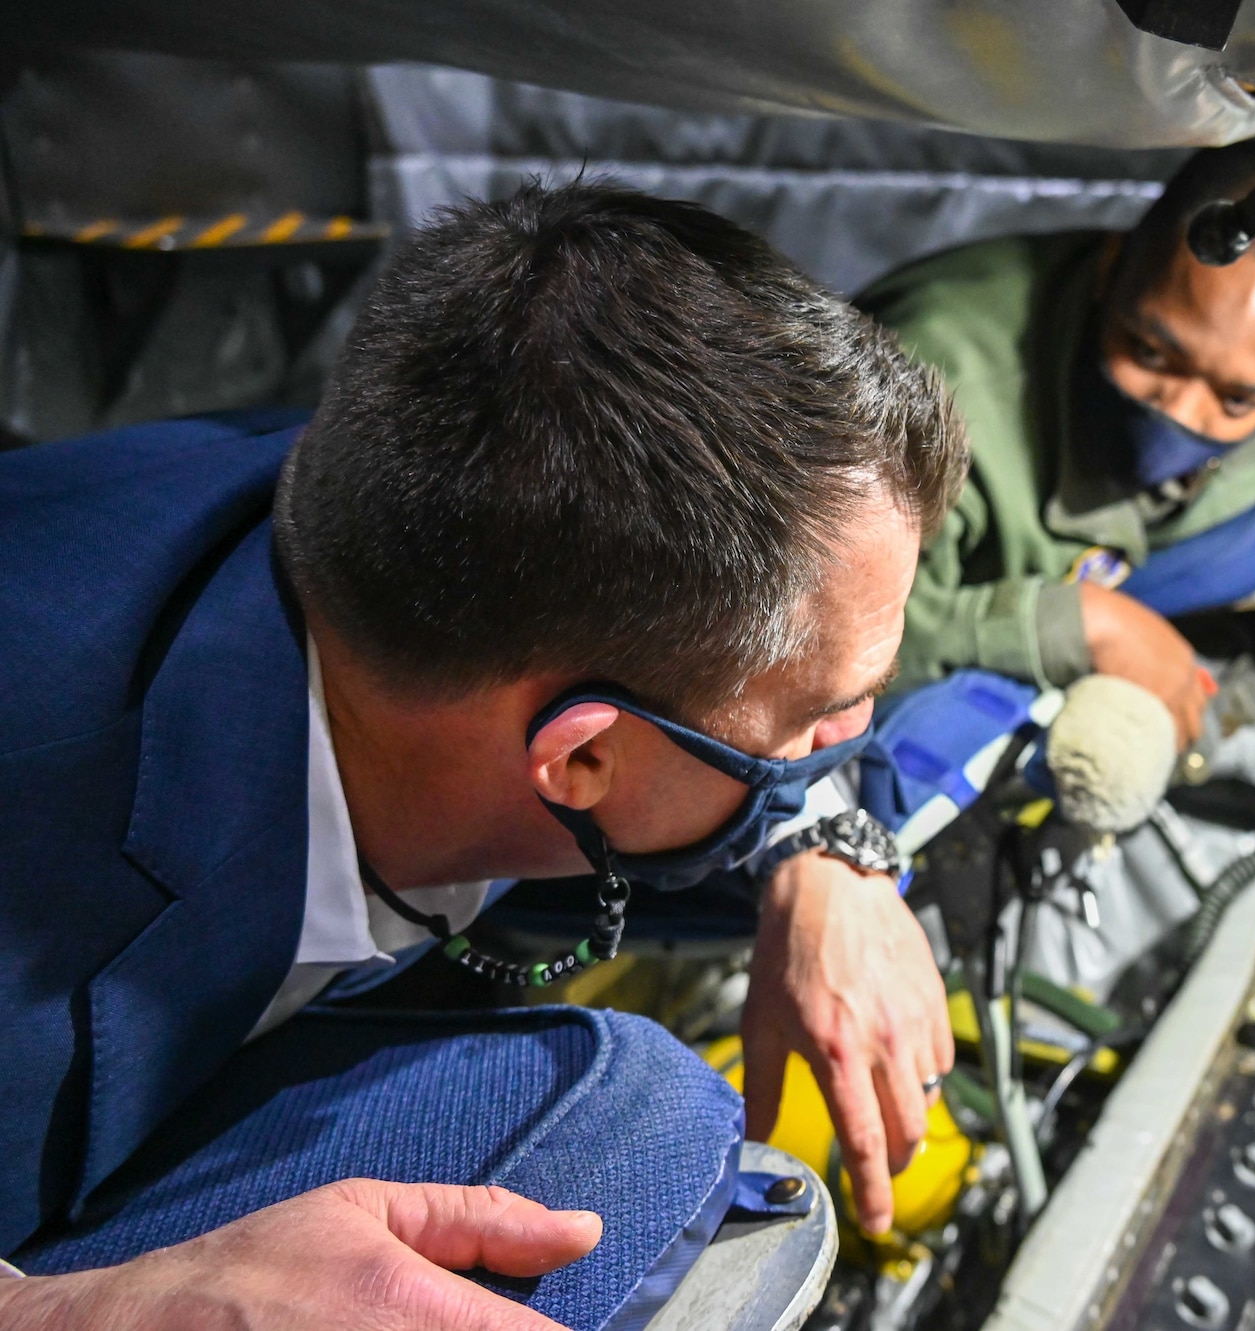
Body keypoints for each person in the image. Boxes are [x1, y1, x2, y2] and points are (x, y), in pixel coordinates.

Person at [0, 182, 966, 1328]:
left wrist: (821, 849)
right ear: (582, 762)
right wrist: (79, 1309)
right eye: (826, 714)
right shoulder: (40, 816)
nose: (845, 741)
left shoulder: (455, 512)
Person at [862, 141, 1255, 745]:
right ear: (1111, 269)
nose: (1180, 412)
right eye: (1152, 353)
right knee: (915, 740)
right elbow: (837, 630)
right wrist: (1075, 628)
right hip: (938, 590)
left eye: (1237, 400)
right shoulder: (923, 403)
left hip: (1125, 557)